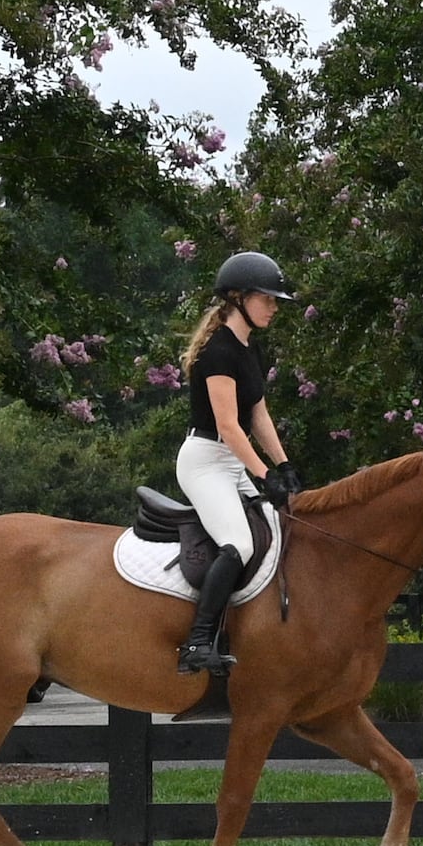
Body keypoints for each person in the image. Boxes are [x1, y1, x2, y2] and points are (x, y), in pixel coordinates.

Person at [173, 252, 297, 677]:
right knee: (239, 544)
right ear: (239, 298)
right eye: (268, 298)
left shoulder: (250, 348)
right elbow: (228, 425)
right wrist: (263, 476)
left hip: (232, 460)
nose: (275, 306)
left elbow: (258, 415)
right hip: (205, 461)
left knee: (283, 526)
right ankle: (197, 643)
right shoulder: (218, 351)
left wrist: (284, 466)